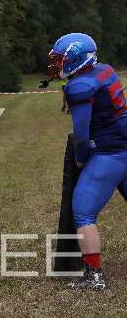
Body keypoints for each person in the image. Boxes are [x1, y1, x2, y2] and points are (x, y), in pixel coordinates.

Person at [47, 33, 127, 290]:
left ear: (76, 58)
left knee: (83, 212)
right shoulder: (105, 70)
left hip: (109, 154)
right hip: (123, 144)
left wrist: (81, 158)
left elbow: (81, 133)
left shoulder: (80, 86)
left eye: (61, 59)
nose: (57, 64)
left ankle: (94, 275)